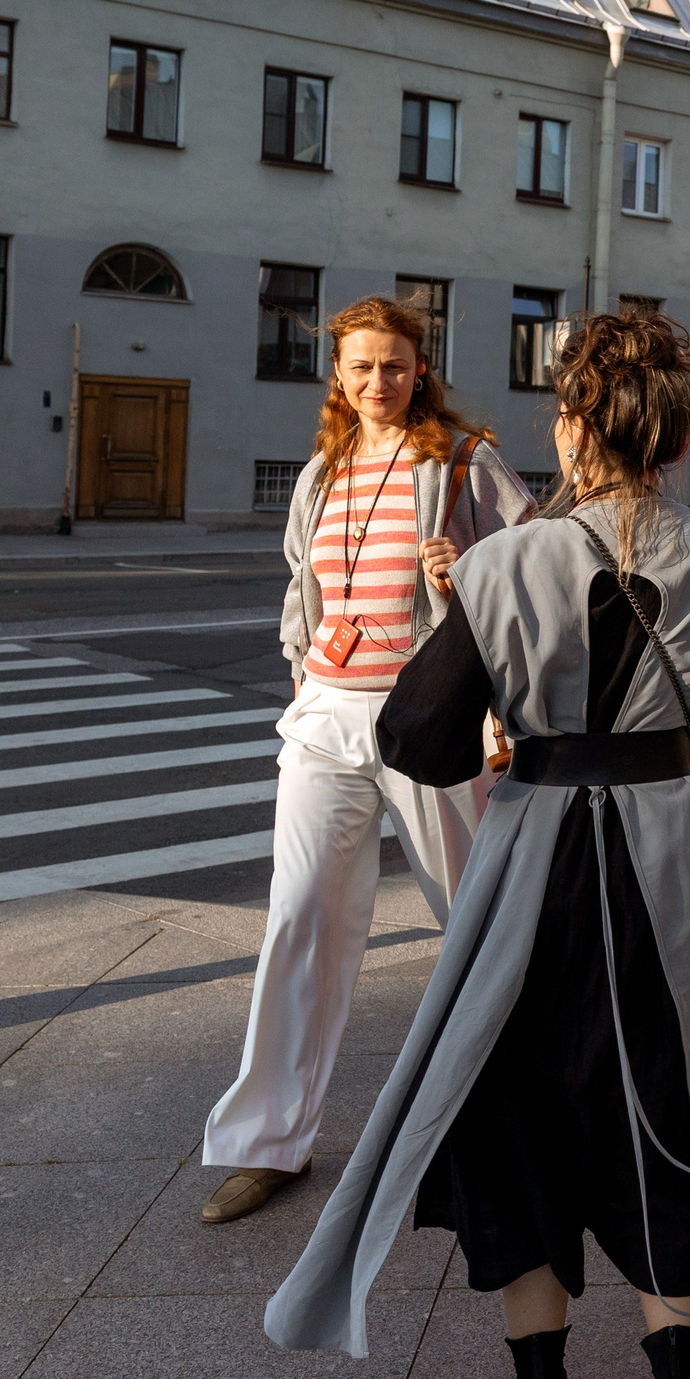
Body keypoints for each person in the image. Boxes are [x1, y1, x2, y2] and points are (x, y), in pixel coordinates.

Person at [266, 310, 690, 1379]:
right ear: (677, 434)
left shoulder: (502, 562)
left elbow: (419, 740)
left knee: (516, 1120)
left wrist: (502, 677)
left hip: (537, 867)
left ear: (574, 426)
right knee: (672, 1108)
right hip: (671, 861)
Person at [201, 297, 535, 1225]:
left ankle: (515, 1118)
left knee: (471, 921)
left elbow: (530, 566)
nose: (378, 380)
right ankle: (268, 1140)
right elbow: (301, 585)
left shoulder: (462, 460)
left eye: (394, 364)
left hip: (427, 714)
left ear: (419, 368)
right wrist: (302, 666)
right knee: (299, 915)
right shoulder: (323, 469)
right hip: (324, 712)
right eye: (361, 366)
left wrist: (463, 569)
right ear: (339, 376)